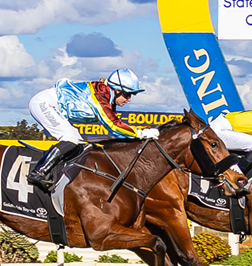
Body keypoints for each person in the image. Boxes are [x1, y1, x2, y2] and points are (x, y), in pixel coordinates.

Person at [26, 68, 155, 191]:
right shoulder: (100, 96)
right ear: (116, 90)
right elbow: (114, 125)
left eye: (132, 95)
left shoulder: (108, 98)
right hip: (44, 103)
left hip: (52, 105)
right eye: (127, 94)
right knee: (70, 139)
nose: (129, 99)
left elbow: (116, 131)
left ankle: (55, 172)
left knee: (79, 143)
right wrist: (141, 134)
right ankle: (38, 172)